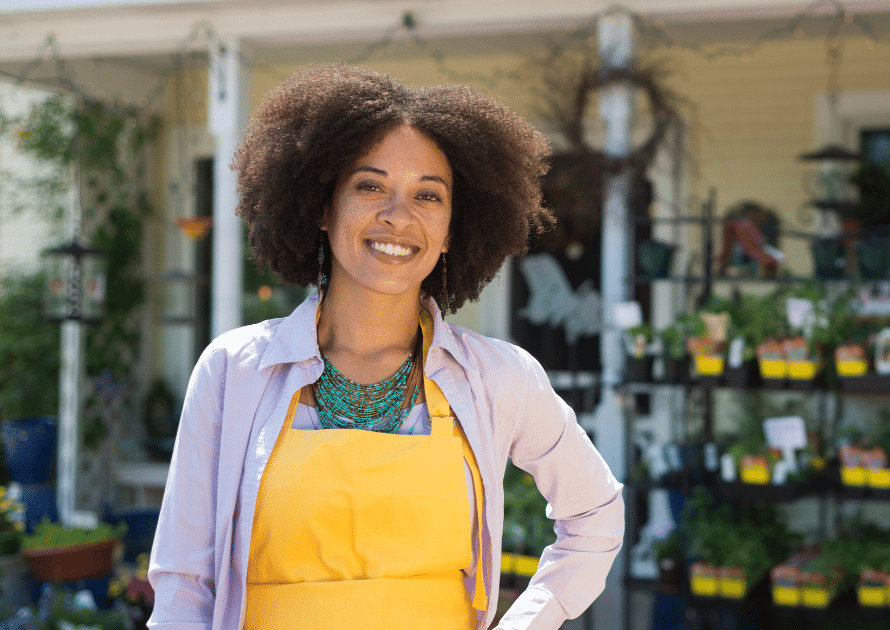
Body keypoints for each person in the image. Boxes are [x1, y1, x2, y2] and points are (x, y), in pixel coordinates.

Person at [147, 63, 624, 630]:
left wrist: (529, 623)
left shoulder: (500, 376)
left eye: (429, 196)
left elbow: (595, 516)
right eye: (370, 186)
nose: (398, 217)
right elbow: (183, 583)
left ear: (452, 230)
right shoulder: (234, 369)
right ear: (323, 207)